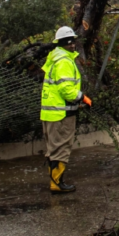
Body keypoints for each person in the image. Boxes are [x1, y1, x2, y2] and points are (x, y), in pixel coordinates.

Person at [40, 26, 90, 194]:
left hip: (51, 112)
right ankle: (56, 183)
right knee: (61, 148)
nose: (73, 45)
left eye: (73, 41)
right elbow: (66, 89)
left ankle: (56, 181)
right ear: (64, 43)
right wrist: (82, 97)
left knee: (53, 148)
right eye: (70, 42)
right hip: (61, 114)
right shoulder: (64, 61)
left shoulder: (55, 58)